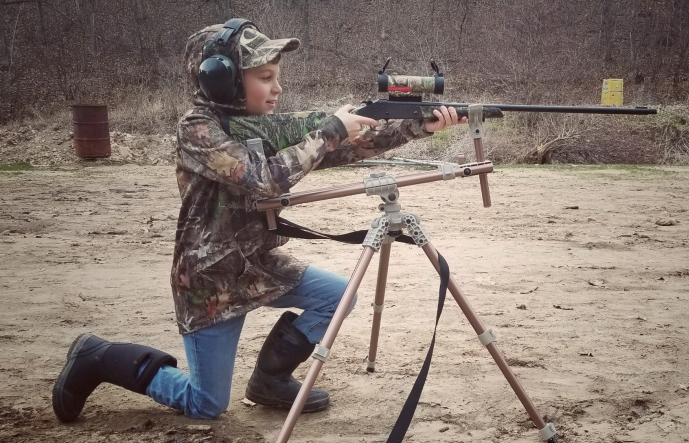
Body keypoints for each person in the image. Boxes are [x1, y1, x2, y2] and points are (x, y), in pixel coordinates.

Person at [52, 18, 466, 422]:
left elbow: (336, 151)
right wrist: (329, 131)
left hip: (258, 266)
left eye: (276, 76)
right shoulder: (198, 130)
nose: (277, 87)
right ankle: (98, 356)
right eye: (265, 76)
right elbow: (262, 180)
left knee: (339, 296)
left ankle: (270, 381)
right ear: (221, 79)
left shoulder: (260, 127)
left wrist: (415, 127)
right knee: (206, 404)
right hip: (211, 281)